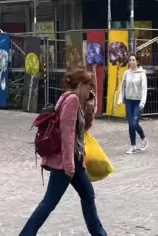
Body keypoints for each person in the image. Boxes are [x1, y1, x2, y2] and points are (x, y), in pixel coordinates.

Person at [20, 69, 106, 236]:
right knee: (50, 202)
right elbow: (67, 134)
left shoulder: (72, 100)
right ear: (81, 85)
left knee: (88, 195)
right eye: (89, 87)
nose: (90, 91)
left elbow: (84, 128)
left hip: (74, 160)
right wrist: (68, 165)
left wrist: (89, 107)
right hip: (65, 162)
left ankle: (99, 234)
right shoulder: (72, 100)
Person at [117, 53, 148, 154]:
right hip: (129, 101)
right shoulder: (126, 73)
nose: (131, 62)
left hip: (138, 102)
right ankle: (133, 146)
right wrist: (120, 99)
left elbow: (144, 90)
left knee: (134, 123)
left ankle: (143, 138)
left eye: (133, 60)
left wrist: (142, 103)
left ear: (137, 62)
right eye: (130, 60)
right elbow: (123, 87)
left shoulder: (142, 74)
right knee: (131, 124)